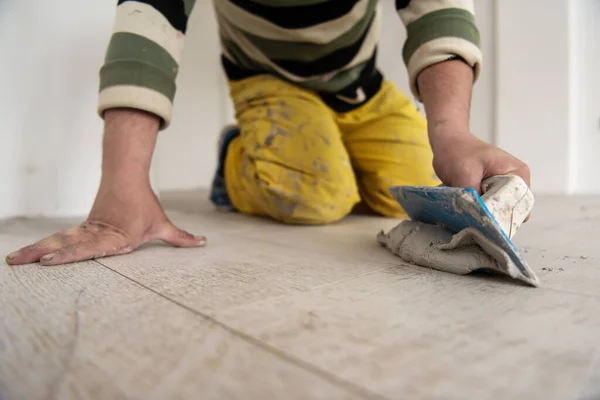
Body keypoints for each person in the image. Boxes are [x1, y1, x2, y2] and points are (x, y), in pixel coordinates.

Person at [5, 0, 530, 266]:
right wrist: (123, 182)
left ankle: (330, 144)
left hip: (360, 88)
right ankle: (236, 156)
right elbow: (150, 18)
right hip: (267, 82)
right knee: (317, 194)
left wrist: (452, 132)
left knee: (416, 184)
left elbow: (436, 9)